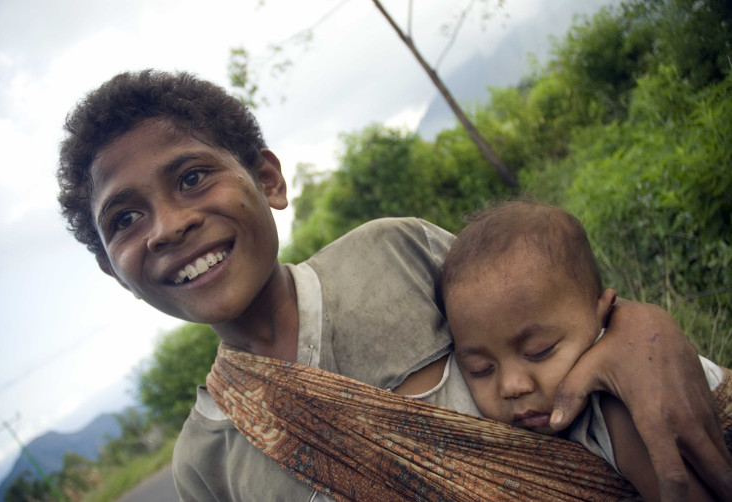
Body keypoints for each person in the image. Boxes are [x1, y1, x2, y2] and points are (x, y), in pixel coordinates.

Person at [56, 70, 731, 501]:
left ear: (268, 179)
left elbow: (566, 323)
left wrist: (645, 327)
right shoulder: (205, 464)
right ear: (113, 268)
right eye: (125, 218)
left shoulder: (394, 252)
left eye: (192, 177)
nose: (169, 226)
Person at [441, 200, 727, 501]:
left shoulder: (620, 408)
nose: (511, 386)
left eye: (539, 351)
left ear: (602, 314)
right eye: (480, 368)